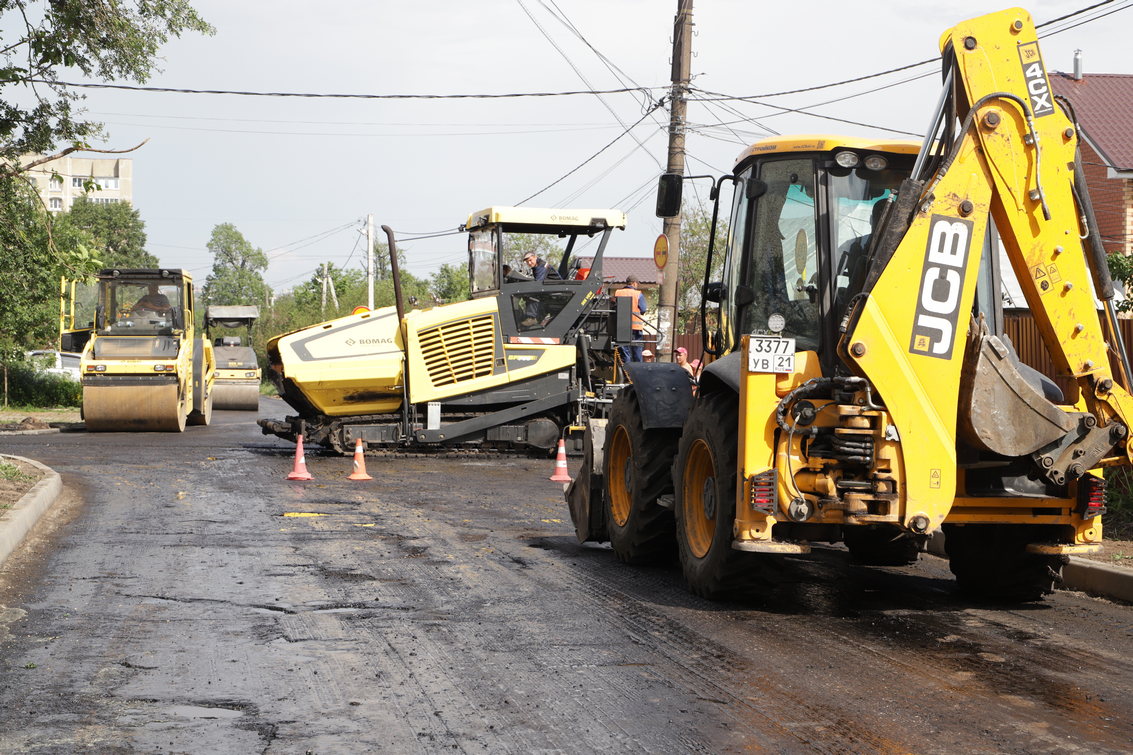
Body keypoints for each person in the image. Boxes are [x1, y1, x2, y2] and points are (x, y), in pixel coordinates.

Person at [614, 275, 647, 362]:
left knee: (625, 353)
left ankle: (626, 372)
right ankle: (637, 371)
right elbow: (643, 309)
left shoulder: (618, 292)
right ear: (634, 283)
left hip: (621, 328)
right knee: (637, 352)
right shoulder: (638, 294)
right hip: (635, 328)